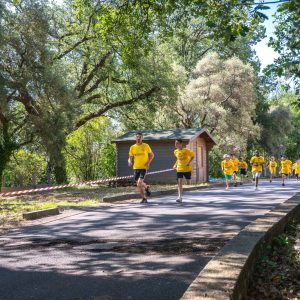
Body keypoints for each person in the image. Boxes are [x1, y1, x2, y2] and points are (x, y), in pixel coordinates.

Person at [128, 132, 154, 203]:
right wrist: (129, 161)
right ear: (135, 138)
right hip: (136, 168)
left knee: (140, 182)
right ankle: (145, 192)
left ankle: (144, 196)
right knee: (138, 184)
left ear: (142, 138)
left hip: (143, 167)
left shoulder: (146, 146)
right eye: (137, 137)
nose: (138, 138)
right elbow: (130, 157)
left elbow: (152, 155)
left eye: (140, 137)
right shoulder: (132, 147)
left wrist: (148, 163)